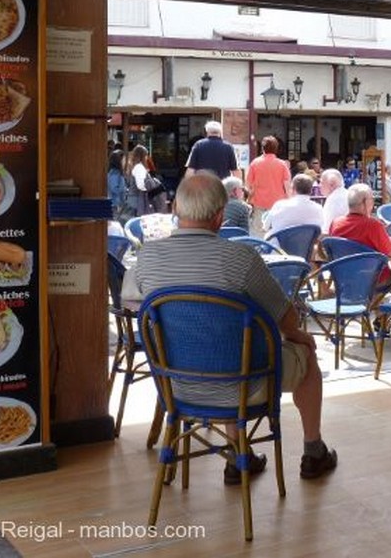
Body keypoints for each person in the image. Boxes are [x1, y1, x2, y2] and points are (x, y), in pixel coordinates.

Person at [135, 171, 337, 482]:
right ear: (219, 217)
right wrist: (300, 337)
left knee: (223, 346)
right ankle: (313, 450)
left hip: (176, 387)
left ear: (175, 209)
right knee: (301, 354)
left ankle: (238, 455)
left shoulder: (146, 258)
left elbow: (132, 305)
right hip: (245, 386)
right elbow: (288, 319)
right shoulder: (241, 258)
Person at [328, 183, 391, 293]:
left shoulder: (336, 223)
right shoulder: (373, 225)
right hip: (373, 279)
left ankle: (371, 306)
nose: (373, 203)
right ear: (365, 202)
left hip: (344, 279)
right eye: (372, 199)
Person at [246, 136, 291, 236]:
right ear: (276, 149)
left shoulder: (255, 163)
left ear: (262, 148)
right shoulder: (282, 164)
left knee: (259, 231)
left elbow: (248, 184)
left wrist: (250, 198)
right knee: (276, 231)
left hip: (259, 202)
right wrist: (289, 200)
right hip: (278, 204)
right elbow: (287, 186)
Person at [127, 144, 154, 217]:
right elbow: (141, 186)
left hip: (134, 199)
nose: (147, 158)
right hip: (137, 200)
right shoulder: (139, 167)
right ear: (142, 156)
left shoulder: (135, 166)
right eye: (146, 155)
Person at [319, 168, 348, 233]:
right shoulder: (348, 194)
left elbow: (326, 229)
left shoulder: (333, 199)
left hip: (338, 239)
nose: (319, 185)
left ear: (332, 185)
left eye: (321, 182)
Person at [107, 151, 130, 223]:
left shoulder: (115, 172)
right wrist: (124, 190)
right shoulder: (114, 173)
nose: (124, 162)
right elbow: (114, 188)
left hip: (116, 204)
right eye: (123, 160)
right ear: (118, 161)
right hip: (115, 204)